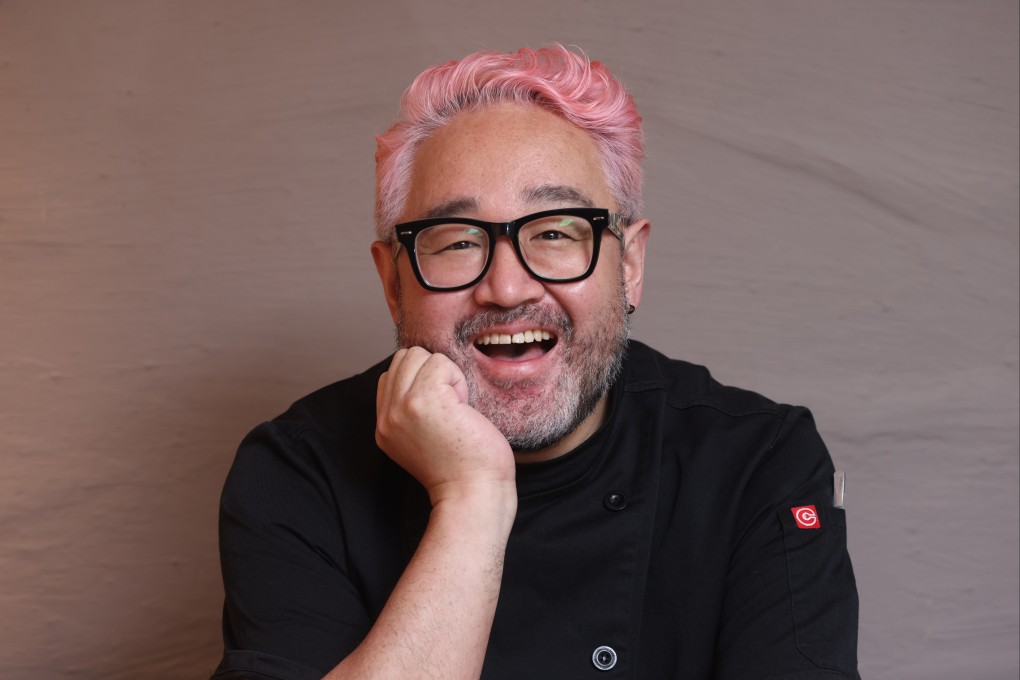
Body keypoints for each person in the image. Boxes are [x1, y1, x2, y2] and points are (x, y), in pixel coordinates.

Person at [211, 45, 860, 680]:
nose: (508, 287)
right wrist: (472, 498)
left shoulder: (759, 462)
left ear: (629, 266)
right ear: (393, 283)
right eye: (457, 241)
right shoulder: (299, 472)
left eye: (554, 232)